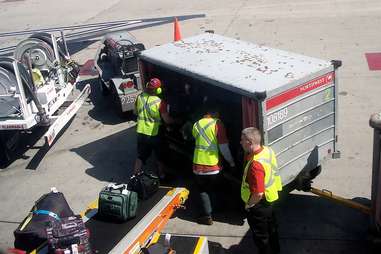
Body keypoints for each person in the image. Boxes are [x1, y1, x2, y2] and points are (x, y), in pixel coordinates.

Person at [240, 127, 282, 254]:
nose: (240, 142)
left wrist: (249, 205)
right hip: (271, 199)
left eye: (242, 140)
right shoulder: (268, 151)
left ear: (249, 142)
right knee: (272, 231)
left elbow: (258, 193)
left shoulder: (256, 164)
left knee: (261, 238)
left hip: (259, 206)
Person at [192, 103, 235, 225]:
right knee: (216, 188)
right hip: (213, 165)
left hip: (197, 165)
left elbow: (196, 139)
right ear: (217, 114)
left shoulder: (197, 124)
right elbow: (223, 147)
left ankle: (207, 215)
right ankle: (219, 210)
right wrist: (231, 162)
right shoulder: (218, 124)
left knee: (203, 190)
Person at [133, 77, 174, 178]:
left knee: (141, 156)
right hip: (154, 133)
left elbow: (135, 112)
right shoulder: (160, 102)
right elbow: (167, 120)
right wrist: (177, 120)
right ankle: (162, 175)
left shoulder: (139, 97)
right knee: (160, 155)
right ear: (158, 90)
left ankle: (135, 176)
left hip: (141, 132)